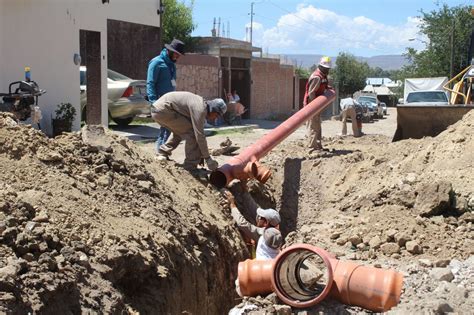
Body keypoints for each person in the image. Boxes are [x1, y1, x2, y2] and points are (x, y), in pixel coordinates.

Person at [150, 91, 226, 171]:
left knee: (180, 131)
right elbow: (199, 136)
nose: (215, 118)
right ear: (213, 109)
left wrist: (200, 155)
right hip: (163, 110)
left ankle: (163, 153)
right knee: (191, 133)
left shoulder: (200, 104)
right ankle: (190, 166)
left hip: (158, 109)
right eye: (217, 115)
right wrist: (207, 158)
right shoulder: (200, 109)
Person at [147, 39, 185, 154]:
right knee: (166, 127)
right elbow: (150, 83)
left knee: (168, 128)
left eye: (179, 55)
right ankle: (160, 152)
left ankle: (161, 152)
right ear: (169, 51)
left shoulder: (172, 65)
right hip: (159, 102)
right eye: (176, 55)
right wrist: (153, 102)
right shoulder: (156, 62)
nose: (177, 57)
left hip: (171, 102)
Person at [224, 190, 281, 257]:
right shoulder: (275, 230)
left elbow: (242, 224)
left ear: (266, 223)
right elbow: (255, 209)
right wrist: (244, 190)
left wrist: (232, 205)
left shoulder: (264, 235)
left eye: (261, 217)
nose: (258, 218)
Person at [303, 56, 332, 152]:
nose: (328, 70)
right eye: (326, 68)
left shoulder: (323, 76)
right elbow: (311, 93)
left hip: (316, 105)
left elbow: (323, 86)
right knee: (313, 125)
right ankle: (312, 147)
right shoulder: (317, 77)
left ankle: (318, 145)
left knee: (317, 125)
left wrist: (328, 88)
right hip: (312, 105)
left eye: (328, 68)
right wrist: (315, 106)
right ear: (321, 66)